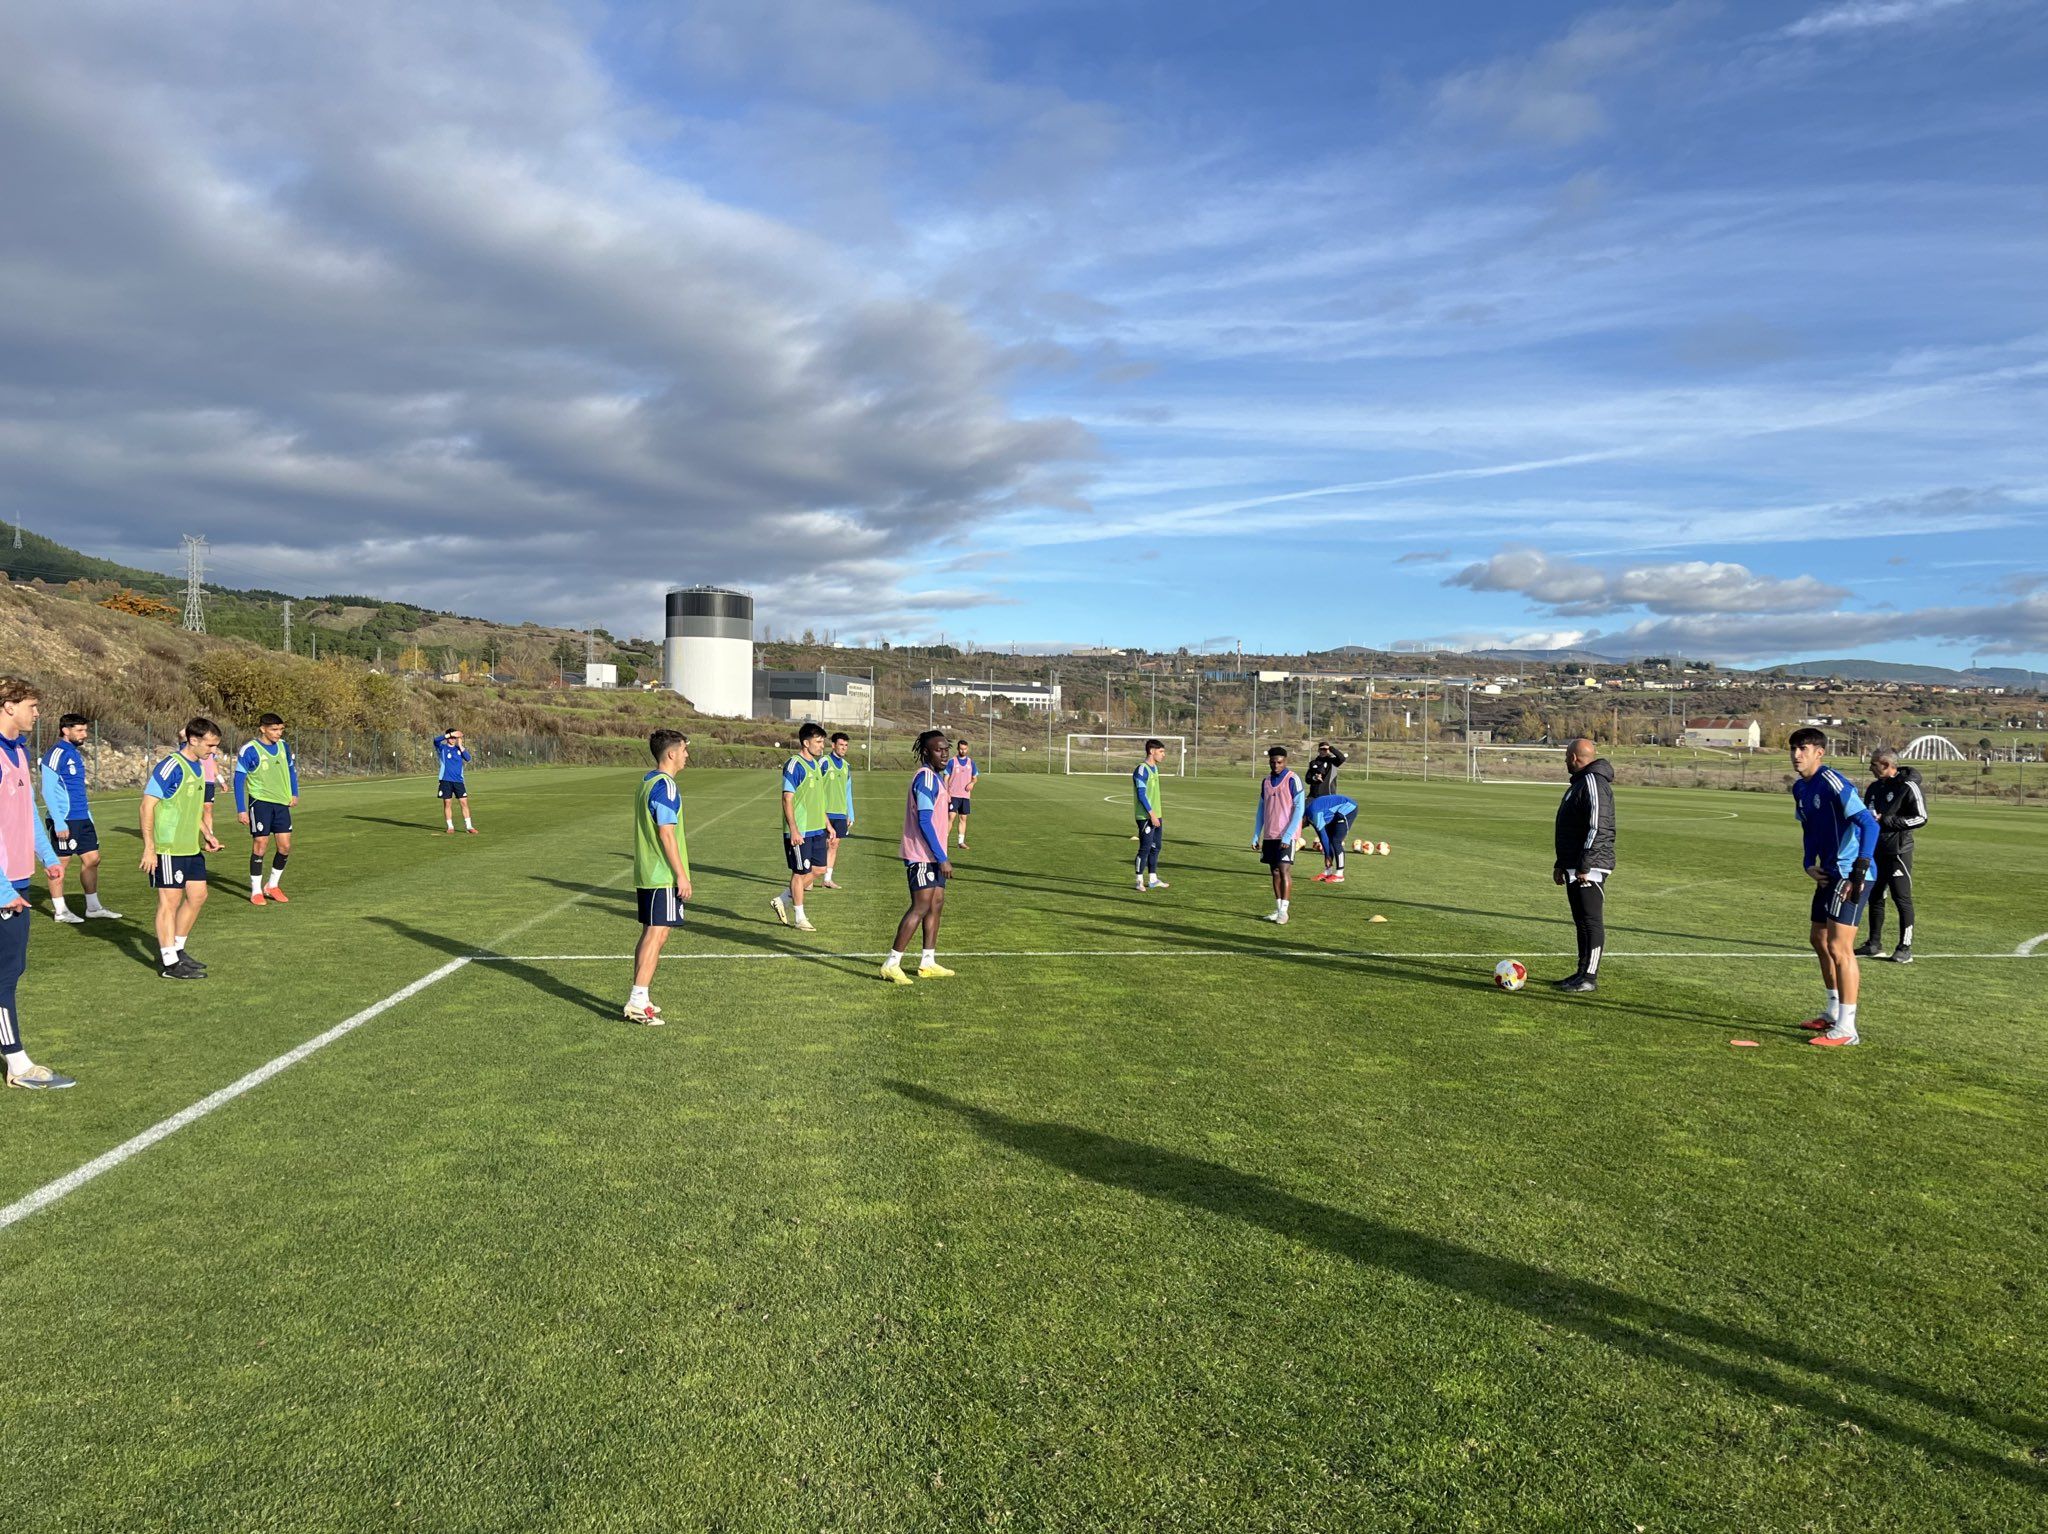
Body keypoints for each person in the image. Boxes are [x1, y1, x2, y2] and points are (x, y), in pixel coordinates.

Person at [1, 678, 73, 1088]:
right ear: (8, 706)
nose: (37, 711)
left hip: (17, 879)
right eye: (31, 704)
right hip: (4, 883)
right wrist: (3, 889)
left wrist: (47, 856)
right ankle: (17, 1064)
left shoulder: (18, 751)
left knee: (13, 967)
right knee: (4, 973)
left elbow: (27, 809)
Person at [1790, 727, 1880, 1048]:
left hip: (1850, 873)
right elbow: (1809, 830)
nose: (1796, 755)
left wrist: (1860, 867)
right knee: (1819, 938)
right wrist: (1807, 862)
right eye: (1793, 749)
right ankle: (1832, 1009)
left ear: (1819, 752)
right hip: (1828, 872)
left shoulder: (1834, 782)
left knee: (1841, 948)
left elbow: (1869, 823)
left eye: (1803, 748)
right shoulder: (1800, 788)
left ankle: (1847, 1028)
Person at [141, 717, 225, 981]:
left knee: (198, 896)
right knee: (170, 902)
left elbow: (190, 808)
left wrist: (207, 834)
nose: (213, 751)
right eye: (210, 746)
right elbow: (147, 806)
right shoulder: (170, 767)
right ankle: (168, 963)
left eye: (215, 746)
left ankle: (178, 950)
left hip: (190, 847)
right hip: (168, 848)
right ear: (193, 740)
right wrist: (149, 848)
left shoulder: (199, 767)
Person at [625, 730, 691, 1025]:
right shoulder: (666, 786)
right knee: (657, 933)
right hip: (661, 872)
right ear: (671, 753)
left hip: (647, 871)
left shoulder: (647, 781)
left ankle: (641, 995)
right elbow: (666, 833)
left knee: (653, 932)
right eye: (684, 750)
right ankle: (637, 1000)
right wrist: (681, 875)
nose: (687, 755)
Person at [882, 729, 957, 984]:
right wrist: (941, 857)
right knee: (921, 906)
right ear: (926, 752)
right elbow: (924, 821)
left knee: (936, 904)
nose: (945, 753)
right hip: (923, 855)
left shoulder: (937, 777)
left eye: (947, 749)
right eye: (939, 749)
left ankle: (927, 962)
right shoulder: (925, 778)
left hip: (934, 855)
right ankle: (891, 963)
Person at [40, 712, 120, 924]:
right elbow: (47, 790)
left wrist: (89, 817)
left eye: (85, 730)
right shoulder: (56, 754)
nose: (84, 734)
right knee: (60, 864)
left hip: (82, 818)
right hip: (65, 819)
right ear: (65, 731)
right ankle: (60, 911)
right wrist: (58, 821)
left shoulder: (75, 753)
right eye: (80, 730)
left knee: (93, 859)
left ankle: (93, 907)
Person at [1550, 738, 1615, 993]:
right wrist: (1561, 863)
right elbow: (1570, 830)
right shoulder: (1579, 784)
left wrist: (1585, 863)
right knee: (1581, 921)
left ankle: (1589, 976)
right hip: (1576, 864)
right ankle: (1581, 972)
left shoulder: (1593, 782)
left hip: (1590, 865)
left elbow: (1599, 825)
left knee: (1591, 920)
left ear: (1575, 757)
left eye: (1567, 756)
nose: (1565, 760)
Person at [1858, 748, 1928, 965]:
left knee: (1901, 898)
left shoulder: (1908, 787)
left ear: (1887, 765)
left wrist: (1887, 820)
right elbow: (1867, 812)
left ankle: (1905, 948)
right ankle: (1874, 944)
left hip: (1898, 850)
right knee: (1875, 895)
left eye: (1873, 764)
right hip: (1875, 849)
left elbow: (1921, 818)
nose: (1870, 767)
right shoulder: (1874, 787)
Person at [235, 712, 300, 905]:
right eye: (274, 729)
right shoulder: (250, 749)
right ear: (262, 729)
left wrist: (294, 792)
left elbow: (290, 770)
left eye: (281, 729)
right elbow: (239, 780)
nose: (278, 733)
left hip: (281, 803)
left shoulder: (283, 747)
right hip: (260, 802)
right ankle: (256, 890)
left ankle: (272, 886)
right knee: (261, 844)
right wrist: (241, 809)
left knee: (285, 846)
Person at [771, 722, 830, 932]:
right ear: (806, 743)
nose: (822, 746)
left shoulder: (816, 765)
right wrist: (794, 829)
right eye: (818, 741)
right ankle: (800, 917)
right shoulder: (794, 765)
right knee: (799, 872)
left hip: (817, 828)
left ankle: (782, 899)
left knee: (819, 869)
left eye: (823, 741)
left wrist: (827, 824)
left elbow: (818, 799)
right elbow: (787, 799)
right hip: (801, 831)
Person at [1251, 745, 1305, 924]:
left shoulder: (1292, 779)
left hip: (1286, 835)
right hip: (1270, 834)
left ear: (1285, 761)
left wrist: (1289, 835)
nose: (1276, 765)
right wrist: (1256, 834)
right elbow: (1261, 809)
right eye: (1273, 762)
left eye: (1279, 762)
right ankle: (1278, 908)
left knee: (1283, 869)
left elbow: (1300, 808)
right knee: (1274, 871)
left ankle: (1284, 911)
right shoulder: (1266, 781)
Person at [819, 731, 855, 890]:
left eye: (846, 745)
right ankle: (809, 877)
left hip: (840, 813)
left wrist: (850, 814)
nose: (844, 748)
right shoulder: (824, 762)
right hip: (823, 812)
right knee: (819, 845)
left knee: (834, 845)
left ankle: (827, 879)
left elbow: (848, 791)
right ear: (833, 745)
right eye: (841, 745)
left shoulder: (847, 766)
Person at [1131, 738, 1169, 892]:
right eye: (1161, 751)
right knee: (1145, 848)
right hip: (1146, 816)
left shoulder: (1155, 768)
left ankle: (1153, 879)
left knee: (1156, 847)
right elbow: (1141, 794)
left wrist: (1157, 815)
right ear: (1152, 751)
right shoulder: (1141, 769)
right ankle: (1139, 880)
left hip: (1156, 815)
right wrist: (1152, 814)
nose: (1163, 755)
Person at [1306, 793, 1358, 883]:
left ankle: (1339, 874)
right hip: (1335, 812)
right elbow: (1323, 837)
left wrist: (1327, 855)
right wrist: (1327, 855)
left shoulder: (1313, 814)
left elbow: (1323, 837)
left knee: (1336, 841)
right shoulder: (1309, 815)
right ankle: (1328, 872)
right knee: (1329, 839)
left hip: (1348, 809)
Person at [434, 729, 476, 833]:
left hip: (458, 781)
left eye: (455, 738)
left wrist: (461, 746)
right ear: (448, 737)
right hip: (445, 780)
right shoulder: (442, 748)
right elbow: (436, 740)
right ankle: (450, 827)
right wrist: (450, 734)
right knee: (447, 803)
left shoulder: (459, 749)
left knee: (464, 802)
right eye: (451, 737)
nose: (453, 739)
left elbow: (468, 758)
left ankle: (469, 827)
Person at [945, 740, 978, 851]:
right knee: (951, 817)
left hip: (965, 796)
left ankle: (961, 842)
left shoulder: (971, 762)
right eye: (961, 749)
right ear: (957, 749)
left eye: (964, 749)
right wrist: (946, 792)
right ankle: (943, 840)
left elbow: (975, 777)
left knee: (963, 818)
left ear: (967, 749)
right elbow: (946, 778)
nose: (962, 751)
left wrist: (972, 783)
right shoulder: (952, 762)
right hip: (953, 795)